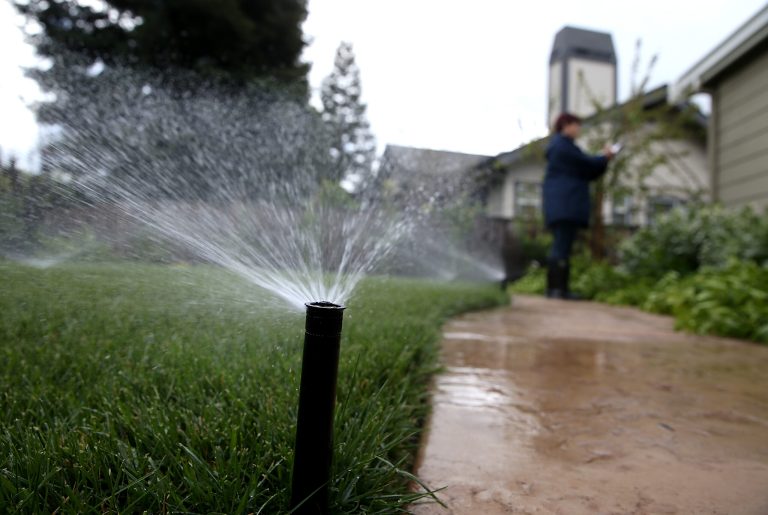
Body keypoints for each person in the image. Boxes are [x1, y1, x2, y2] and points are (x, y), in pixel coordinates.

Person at [542, 113, 615, 299]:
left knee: (562, 246)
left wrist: (604, 161)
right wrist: (604, 157)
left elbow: (588, 172)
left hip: (563, 206)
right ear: (566, 125)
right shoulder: (562, 147)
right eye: (577, 125)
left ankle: (556, 289)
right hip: (565, 205)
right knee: (561, 247)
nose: (579, 130)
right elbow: (587, 164)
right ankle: (558, 290)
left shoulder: (562, 148)